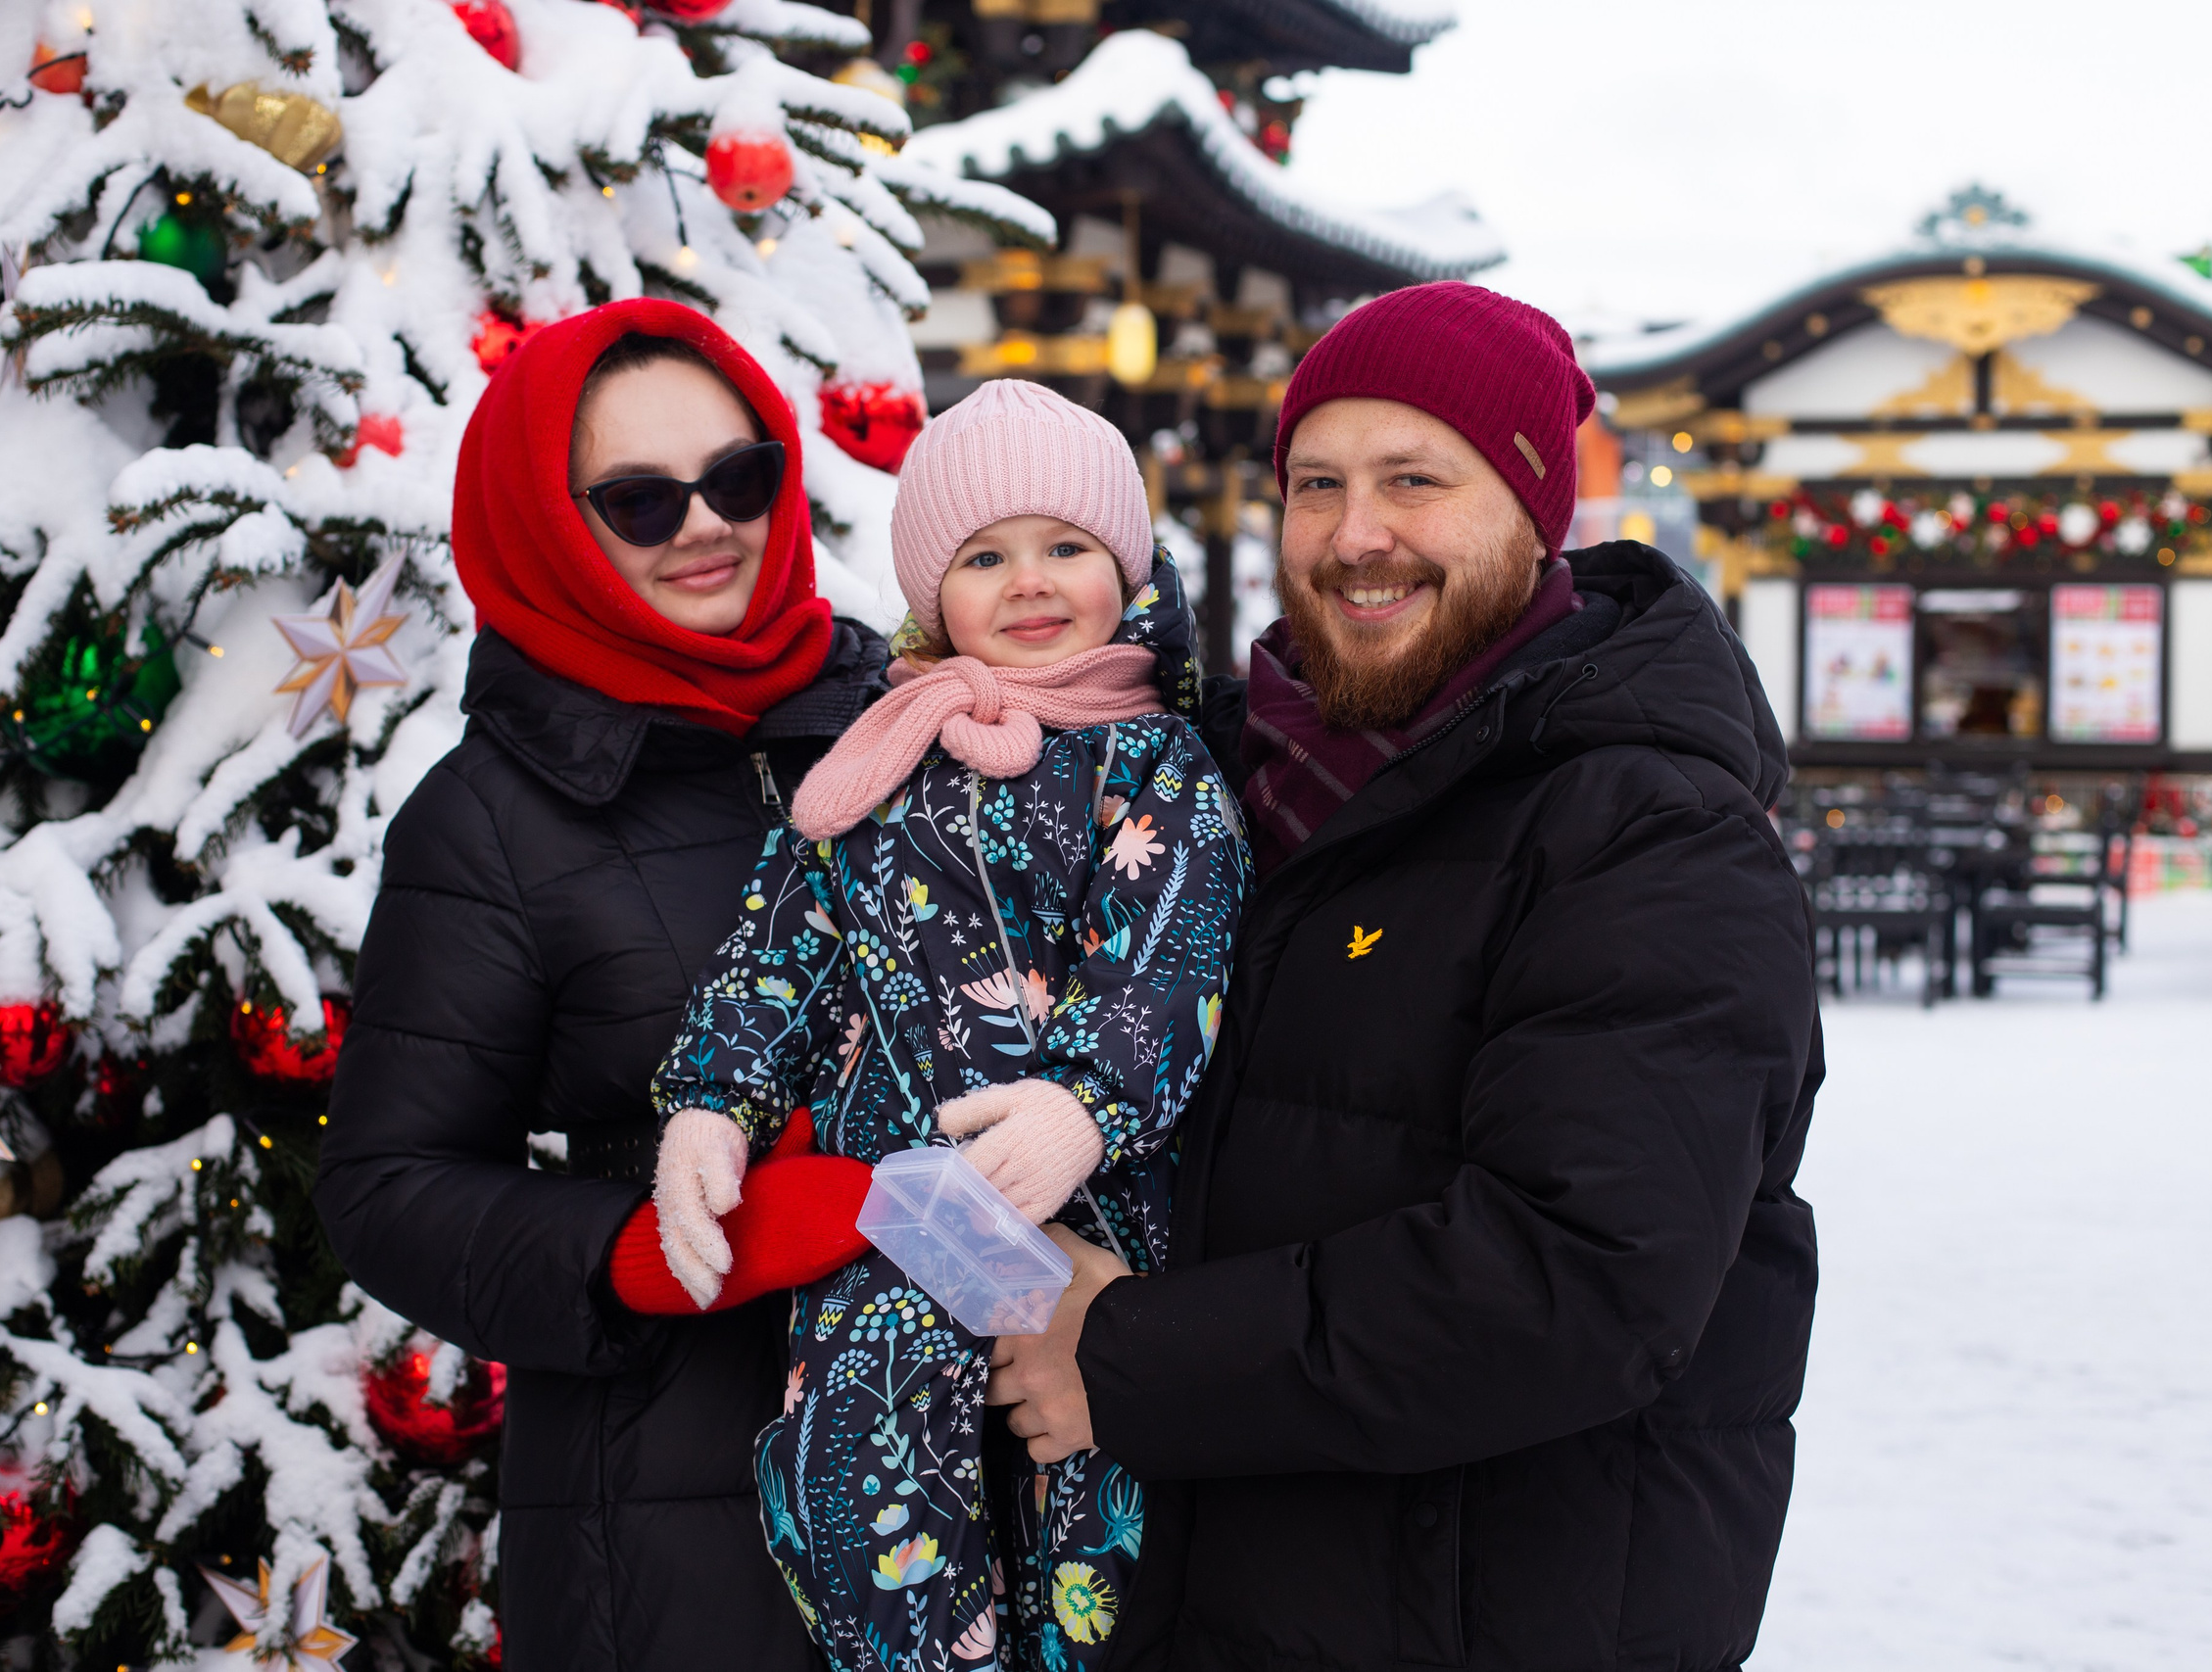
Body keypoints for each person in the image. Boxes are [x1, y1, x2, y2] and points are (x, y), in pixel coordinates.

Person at [986, 282, 1823, 1671]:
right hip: (1214, 1594)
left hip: (1487, 1609)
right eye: (1318, 484)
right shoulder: (1217, 789)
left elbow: (1582, 1280)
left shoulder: (1645, 829)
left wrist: (1124, 1352)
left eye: (1415, 480)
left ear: (1530, 510)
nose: (1356, 535)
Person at [314, 299, 893, 1671]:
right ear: (550, 524)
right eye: (640, 501)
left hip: (978, 1469)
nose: (707, 526)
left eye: (740, 478)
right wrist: (643, 1255)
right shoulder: (496, 820)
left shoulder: (917, 723)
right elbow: (386, 1184)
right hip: (684, 1532)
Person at [647, 380, 1250, 1672]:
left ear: (1121, 566)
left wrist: (1088, 1100)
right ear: (934, 590)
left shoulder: (1153, 759)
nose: (1031, 581)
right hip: (898, 1205)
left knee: (1080, 1472)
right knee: (859, 1459)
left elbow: (1172, 946)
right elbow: (787, 943)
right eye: (986, 556)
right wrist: (714, 1096)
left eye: (1066, 547)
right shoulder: (879, 759)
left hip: (1079, 1210)